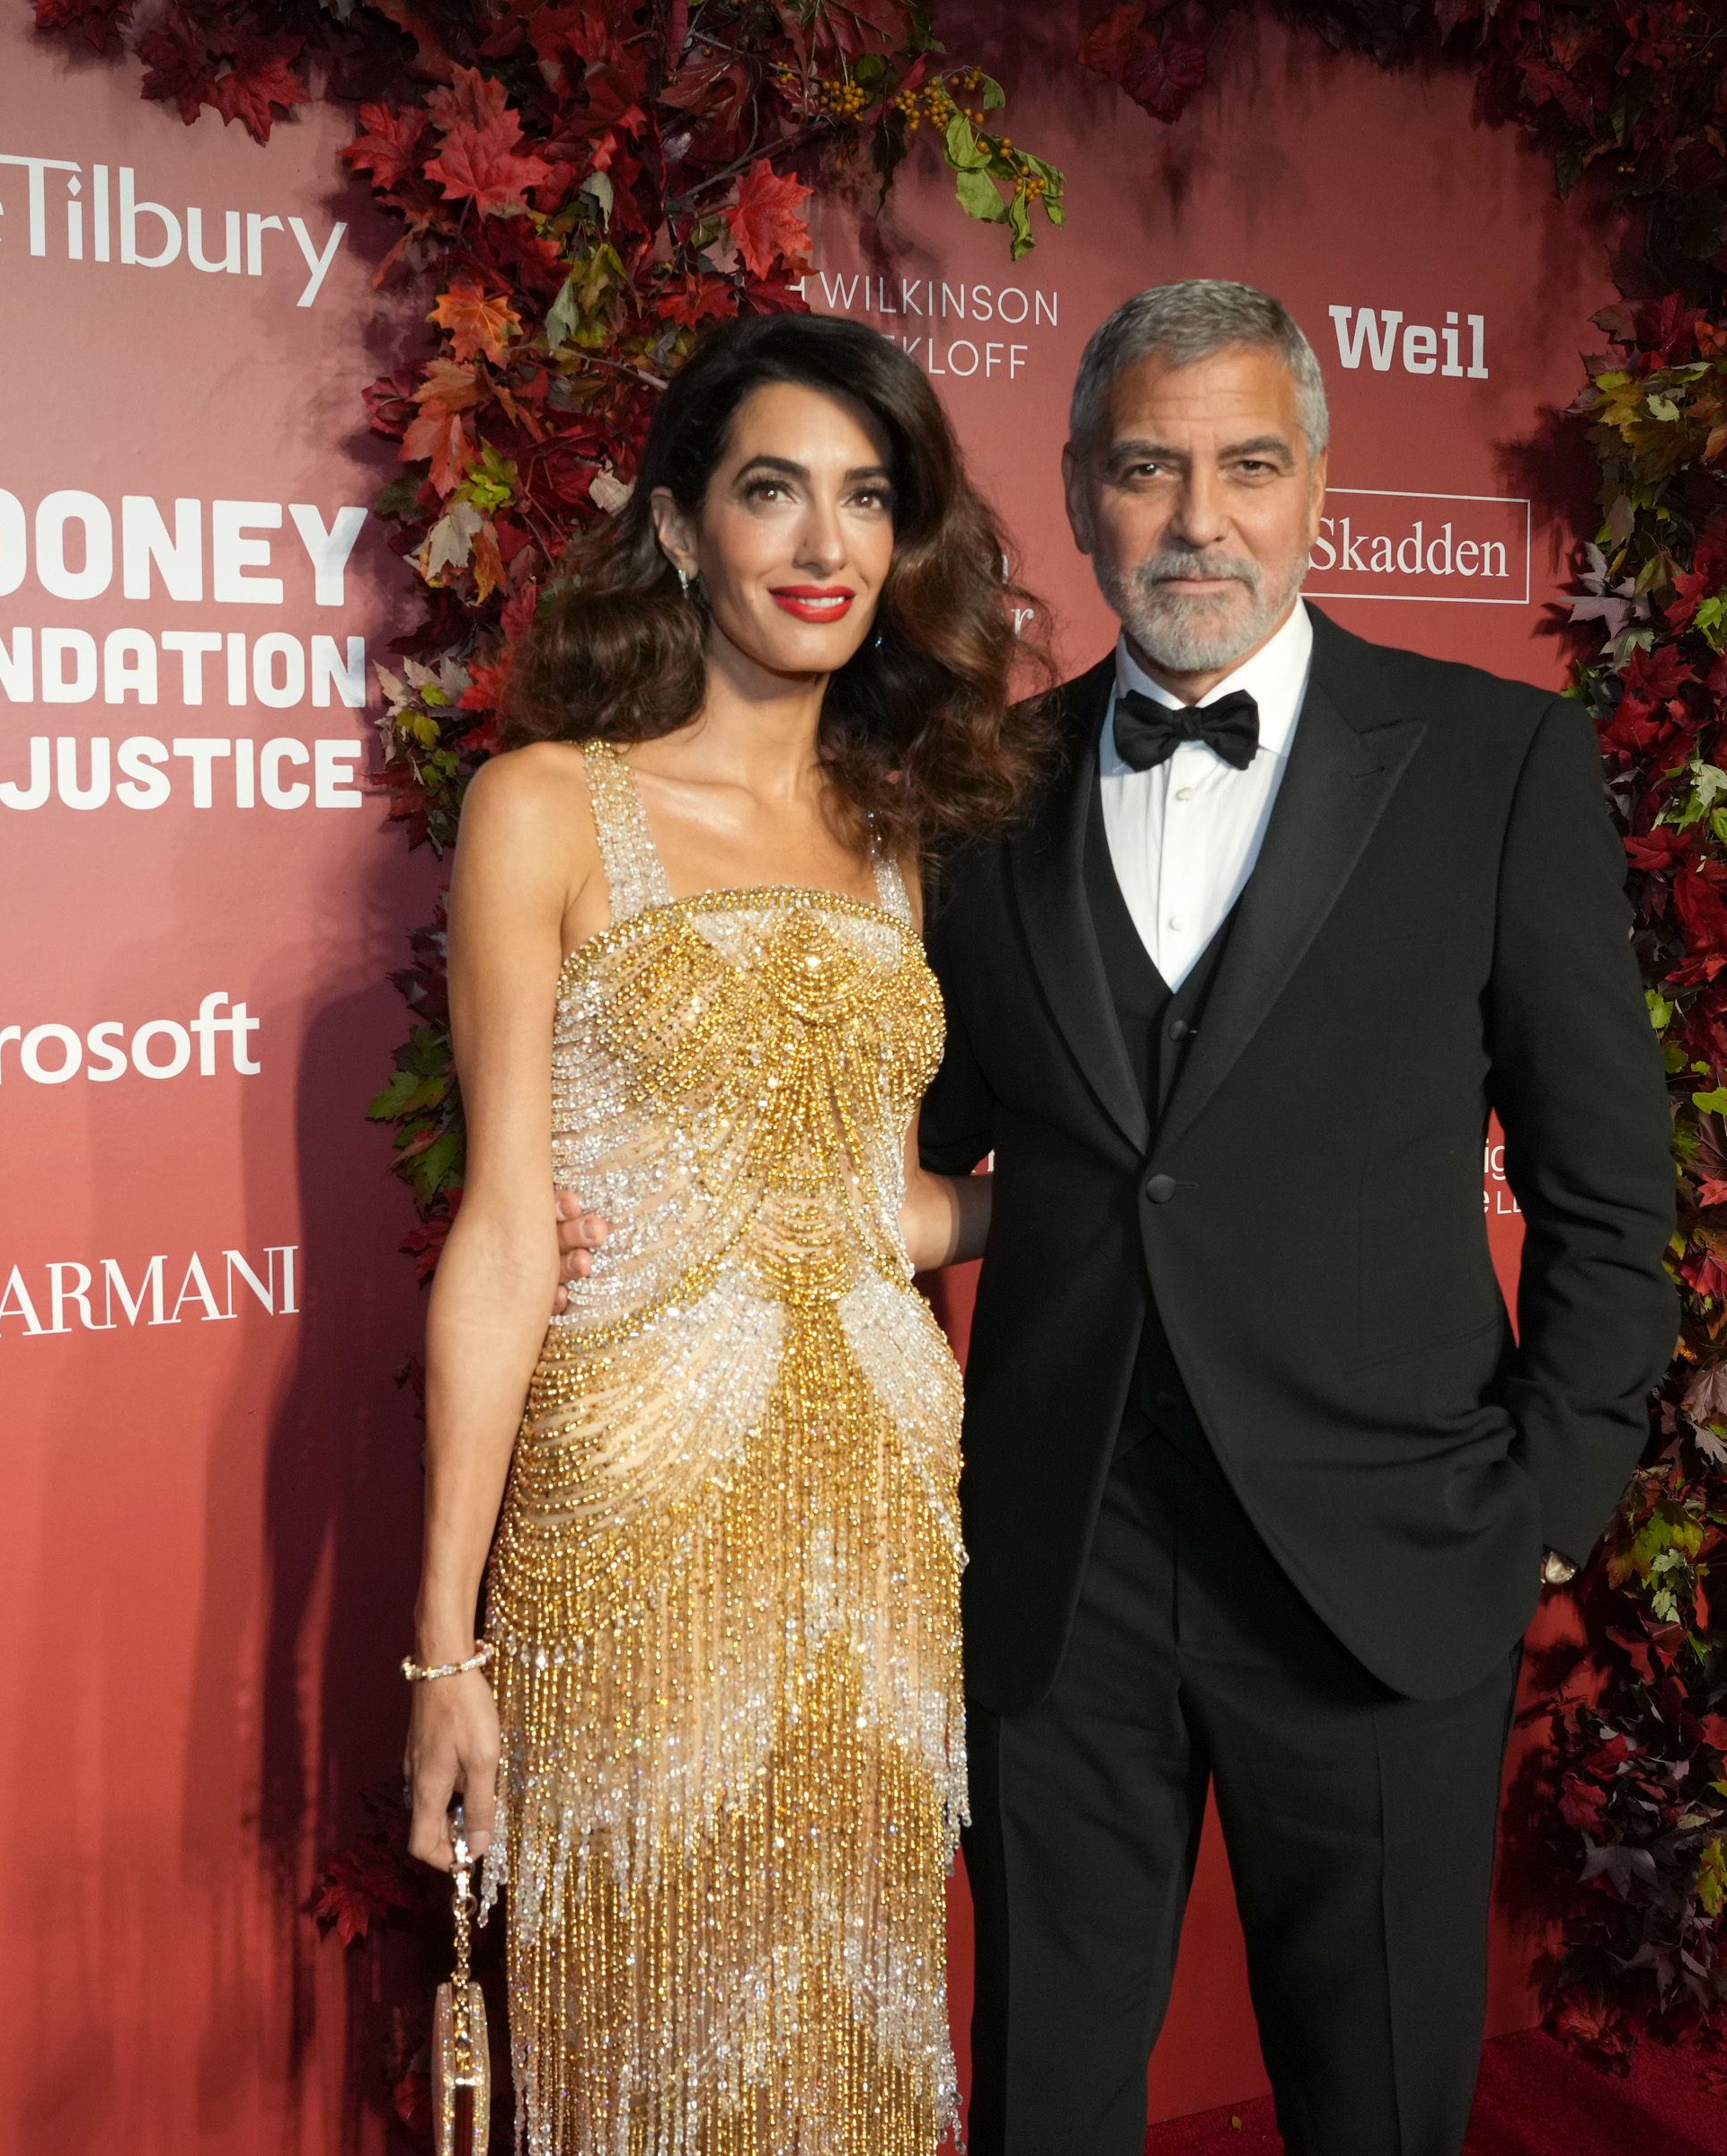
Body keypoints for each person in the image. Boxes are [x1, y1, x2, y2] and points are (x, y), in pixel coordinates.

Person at [920, 280, 1678, 2152]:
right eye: (1151, 469)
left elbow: (1609, 1187)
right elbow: (911, 1145)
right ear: (1084, 493)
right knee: (1046, 2098)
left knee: (1380, 2102)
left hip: (1386, 1565)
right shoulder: (975, 794)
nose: (1202, 521)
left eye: (1249, 465)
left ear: (1318, 486)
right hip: (1060, 1562)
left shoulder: (1497, 765)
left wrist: (1551, 1513)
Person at [400, 311, 1043, 2156]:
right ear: (684, 529)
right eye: (776, 492)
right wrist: (444, 1655)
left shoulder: (904, 836)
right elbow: (509, 1233)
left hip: (878, 1522)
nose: (825, 546)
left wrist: (1110, 1202)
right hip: (638, 1519)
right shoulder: (546, 807)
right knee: (650, 2026)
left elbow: (888, 1199)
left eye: (866, 499)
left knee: (850, 2020)